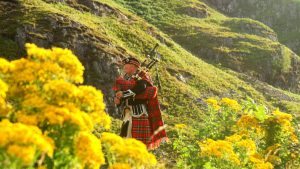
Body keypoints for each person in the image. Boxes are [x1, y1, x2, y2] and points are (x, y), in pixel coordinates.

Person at [112, 57, 168, 150]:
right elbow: (124, 96)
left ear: (133, 66)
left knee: (138, 143)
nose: (124, 67)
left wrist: (124, 94)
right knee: (125, 138)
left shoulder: (142, 76)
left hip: (139, 113)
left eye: (127, 65)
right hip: (127, 113)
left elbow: (141, 88)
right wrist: (118, 101)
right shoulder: (127, 78)